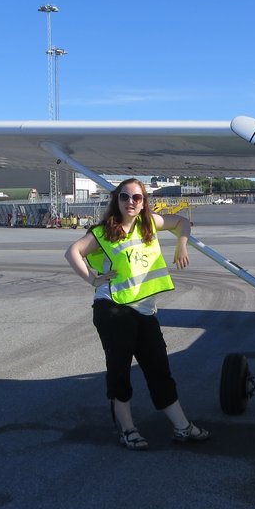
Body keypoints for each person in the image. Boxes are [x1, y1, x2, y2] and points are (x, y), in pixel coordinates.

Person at [65, 177, 210, 451]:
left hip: (144, 309)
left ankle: (182, 427)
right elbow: (73, 251)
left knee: (159, 370)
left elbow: (182, 222)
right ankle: (127, 429)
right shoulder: (105, 232)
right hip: (114, 308)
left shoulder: (150, 224)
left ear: (144, 202)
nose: (130, 202)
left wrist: (182, 244)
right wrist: (93, 280)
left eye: (137, 197)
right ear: (116, 200)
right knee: (120, 371)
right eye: (124, 197)